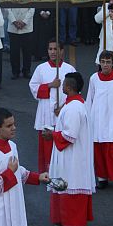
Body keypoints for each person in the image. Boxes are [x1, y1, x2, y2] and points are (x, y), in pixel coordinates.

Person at [46, 71, 94, 226]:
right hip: (75, 154)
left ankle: (75, 224)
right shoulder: (76, 104)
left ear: (68, 87)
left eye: (65, 84)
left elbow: (70, 135)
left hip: (73, 156)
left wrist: (51, 134)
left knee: (70, 183)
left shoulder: (74, 108)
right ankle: (70, 221)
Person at [29, 39, 76, 173]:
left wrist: (62, 108)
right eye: (50, 49)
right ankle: (48, 172)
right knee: (47, 143)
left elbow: (75, 92)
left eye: (56, 49)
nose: (53, 52)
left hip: (63, 112)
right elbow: (33, 88)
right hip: (46, 113)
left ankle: (64, 170)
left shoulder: (69, 69)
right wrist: (50, 85)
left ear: (62, 51)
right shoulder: (41, 68)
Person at [87, 50, 113, 192]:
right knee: (98, 151)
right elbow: (89, 100)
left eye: (108, 62)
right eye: (103, 62)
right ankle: (102, 178)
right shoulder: (94, 78)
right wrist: (87, 118)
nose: (105, 65)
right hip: (97, 120)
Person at [6, 6, 34, 79]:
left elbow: (32, 9)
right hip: (13, 28)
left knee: (27, 52)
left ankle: (26, 71)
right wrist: (14, 21)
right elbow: (7, 8)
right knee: (14, 52)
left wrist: (24, 22)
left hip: (27, 28)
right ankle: (15, 72)